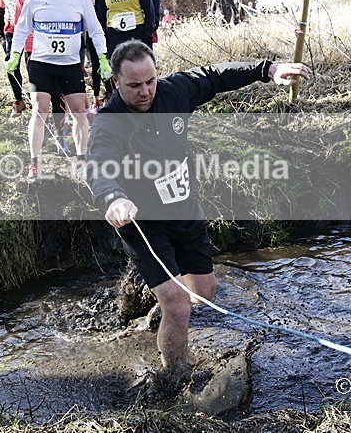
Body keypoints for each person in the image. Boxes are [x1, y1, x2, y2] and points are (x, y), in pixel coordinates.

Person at [85, 39, 310, 378]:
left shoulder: (175, 91)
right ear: (116, 82)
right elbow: (98, 164)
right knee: (178, 304)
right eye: (134, 85)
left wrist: (268, 69)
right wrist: (112, 197)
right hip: (142, 221)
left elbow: (215, 76)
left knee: (203, 295)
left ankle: (156, 298)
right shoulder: (109, 121)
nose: (145, 91)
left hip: (183, 208)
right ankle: (174, 377)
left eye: (150, 81)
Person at [7, 0, 112, 180]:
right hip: (42, 63)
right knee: (40, 107)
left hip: (70, 64)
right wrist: (15, 54)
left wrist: (103, 57)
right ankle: (34, 162)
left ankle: (82, 159)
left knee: (78, 111)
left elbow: (95, 30)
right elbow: (22, 29)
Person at [15, 0, 70, 155]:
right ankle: (43, 131)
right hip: (34, 51)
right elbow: (20, 26)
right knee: (41, 98)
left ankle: (60, 133)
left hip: (58, 52)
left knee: (59, 95)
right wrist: (16, 51)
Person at [94, 0, 155, 99]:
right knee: (119, 70)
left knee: (141, 68)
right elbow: (100, 14)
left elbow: (148, 6)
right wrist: (104, 39)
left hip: (138, 29)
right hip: (114, 33)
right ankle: (120, 100)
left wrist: (148, 33)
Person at [0, 0, 28, 116]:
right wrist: (0, 33)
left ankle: (38, 100)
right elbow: (0, 10)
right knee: (11, 66)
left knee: (33, 67)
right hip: (11, 30)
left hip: (30, 32)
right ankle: (18, 100)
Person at [78, 0, 104, 105]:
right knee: (95, 62)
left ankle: (111, 90)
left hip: (106, 25)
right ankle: (96, 97)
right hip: (90, 27)